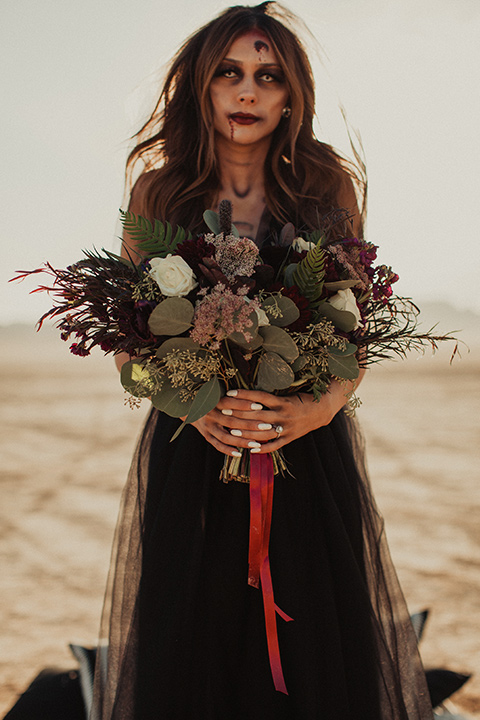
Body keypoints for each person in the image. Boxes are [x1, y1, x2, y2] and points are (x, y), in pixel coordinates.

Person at [92, 4, 433, 719]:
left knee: (315, 657)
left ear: (290, 96)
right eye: (230, 73)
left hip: (305, 454)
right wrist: (193, 405)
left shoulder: (324, 187)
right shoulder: (158, 193)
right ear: (202, 85)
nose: (247, 93)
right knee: (196, 655)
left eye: (268, 77)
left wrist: (316, 409)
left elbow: (355, 332)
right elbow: (129, 346)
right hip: (194, 453)